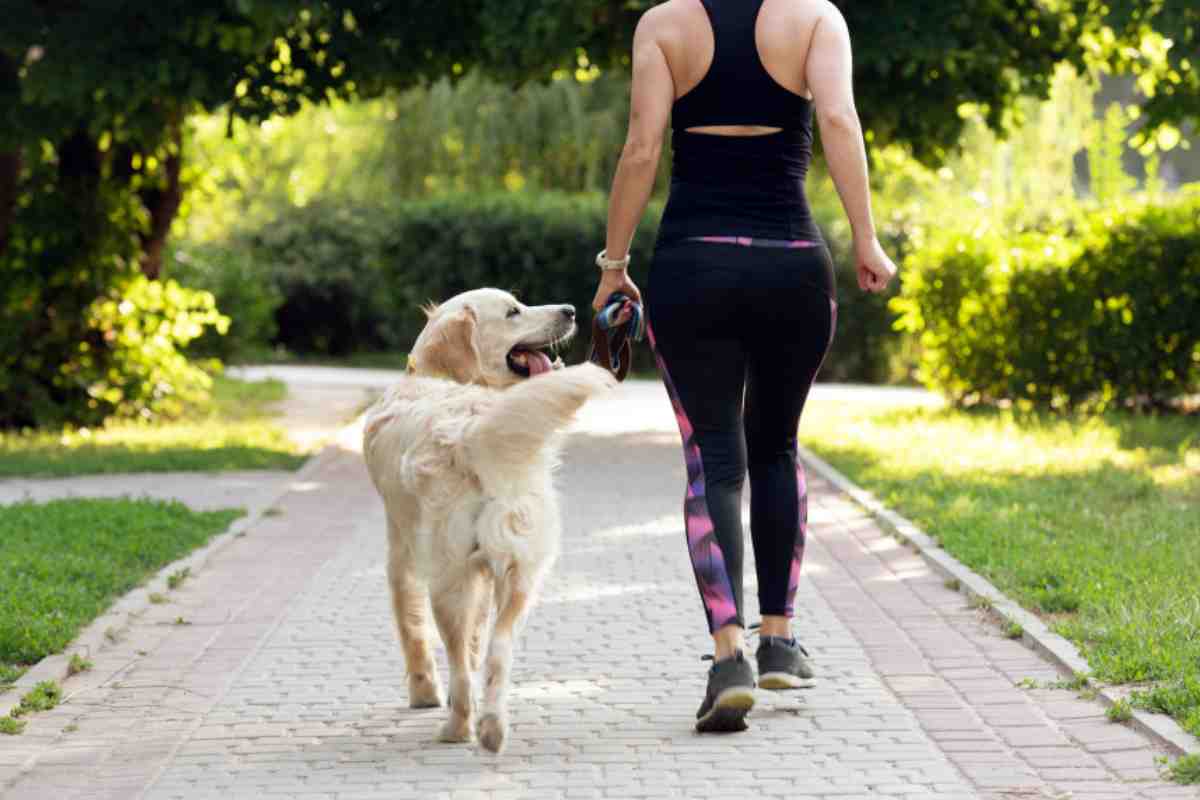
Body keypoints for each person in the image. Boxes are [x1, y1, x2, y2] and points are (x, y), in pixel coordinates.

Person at [592, 0, 898, 732]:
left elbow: (641, 147)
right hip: (793, 267)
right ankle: (779, 639)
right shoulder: (817, 19)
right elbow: (838, 123)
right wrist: (866, 239)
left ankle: (729, 656)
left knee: (713, 462)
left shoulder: (663, 26)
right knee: (777, 447)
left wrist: (614, 265)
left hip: (692, 267)